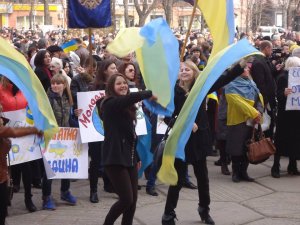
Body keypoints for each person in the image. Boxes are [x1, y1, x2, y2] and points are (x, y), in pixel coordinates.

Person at [162, 60, 245, 225]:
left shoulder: (200, 88)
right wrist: (183, 123)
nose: (184, 72)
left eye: (188, 69)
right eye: (182, 70)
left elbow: (223, 79)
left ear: (194, 73)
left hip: (199, 138)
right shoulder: (173, 91)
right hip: (182, 141)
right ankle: (168, 214)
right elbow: (167, 117)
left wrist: (239, 66)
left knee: (203, 178)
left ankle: (204, 209)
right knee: (177, 180)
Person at [99, 73, 156, 225]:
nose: (123, 85)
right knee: (126, 200)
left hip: (128, 157)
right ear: (111, 87)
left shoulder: (127, 107)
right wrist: (148, 93)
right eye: (119, 84)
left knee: (133, 201)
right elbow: (128, 99)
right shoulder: (109, 103)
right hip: (114, 157)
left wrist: (136, 157)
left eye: (124, 83)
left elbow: (130, 136)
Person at [0, 103, 43, 225]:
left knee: (3, 211)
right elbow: (14, 131)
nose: (1, 119)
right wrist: (34, 130)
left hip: (2, 176)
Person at [42, 74, 77, 210]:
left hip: (66, 137)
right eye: (53, 83)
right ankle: (46, 197)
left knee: (66, 166)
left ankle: (65, 191)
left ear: (64, 85)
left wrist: (77, 115)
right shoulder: (48, 99)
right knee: (49, 169)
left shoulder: (67, 99)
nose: (55, 86)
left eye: (58, 83)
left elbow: (69, 118)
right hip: (52, 138)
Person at [225, 66, 264, 183]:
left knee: (248, 147)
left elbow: (259, 98)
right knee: (236, 148)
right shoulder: (231, 85)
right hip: (238, 120)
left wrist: (259, 112)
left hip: (252, 120)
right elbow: (236, 101)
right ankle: (236, 173)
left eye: (247, 68)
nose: (246, 70)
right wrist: (254, 113)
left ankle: (244, 172)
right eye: (243, 69)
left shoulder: (251, 83)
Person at [88, 58, 118, 203]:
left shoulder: (117, 86)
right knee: (96, 160)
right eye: (113, 68)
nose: (116, 70)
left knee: (111, 158)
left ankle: (110, 184)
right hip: (97, 128)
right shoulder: (94, 87)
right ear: (105, 70)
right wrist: (79, 111)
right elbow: (88, 105)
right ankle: (93, 190)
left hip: (113, 128)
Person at [271, 56, 300, 178]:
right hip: (285, 114)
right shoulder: (283, 77)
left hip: (296, 114)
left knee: (295, 140)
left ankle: (292, 166)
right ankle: (275, 167)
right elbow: (276, 94)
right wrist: (283, 93)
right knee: (281, 139)